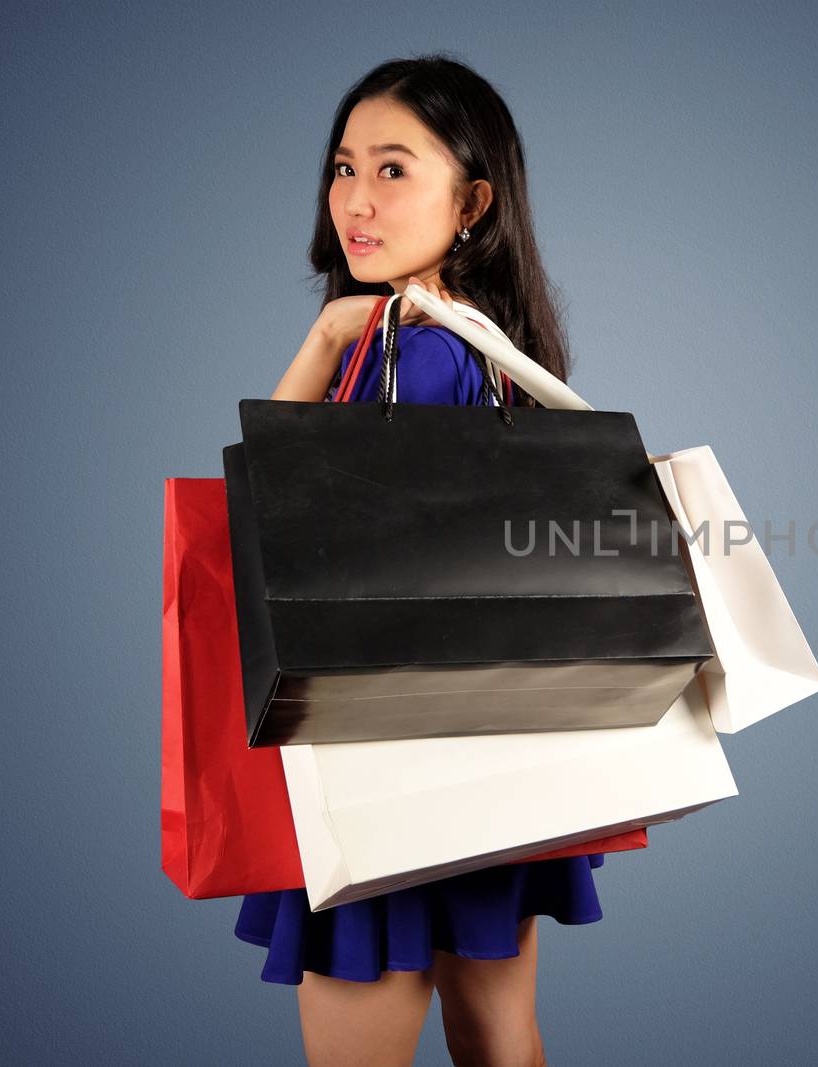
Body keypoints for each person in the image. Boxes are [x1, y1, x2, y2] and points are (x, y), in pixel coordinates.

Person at [234, 54, 593, 1067]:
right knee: (502, 1039)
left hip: (381, 772)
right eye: (344, 166)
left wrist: (318, 346)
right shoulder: (490, 349)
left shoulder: (410, 349)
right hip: (494, 760)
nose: (355, 197)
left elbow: (269, 520)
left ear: (472, 201)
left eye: (394, 169)